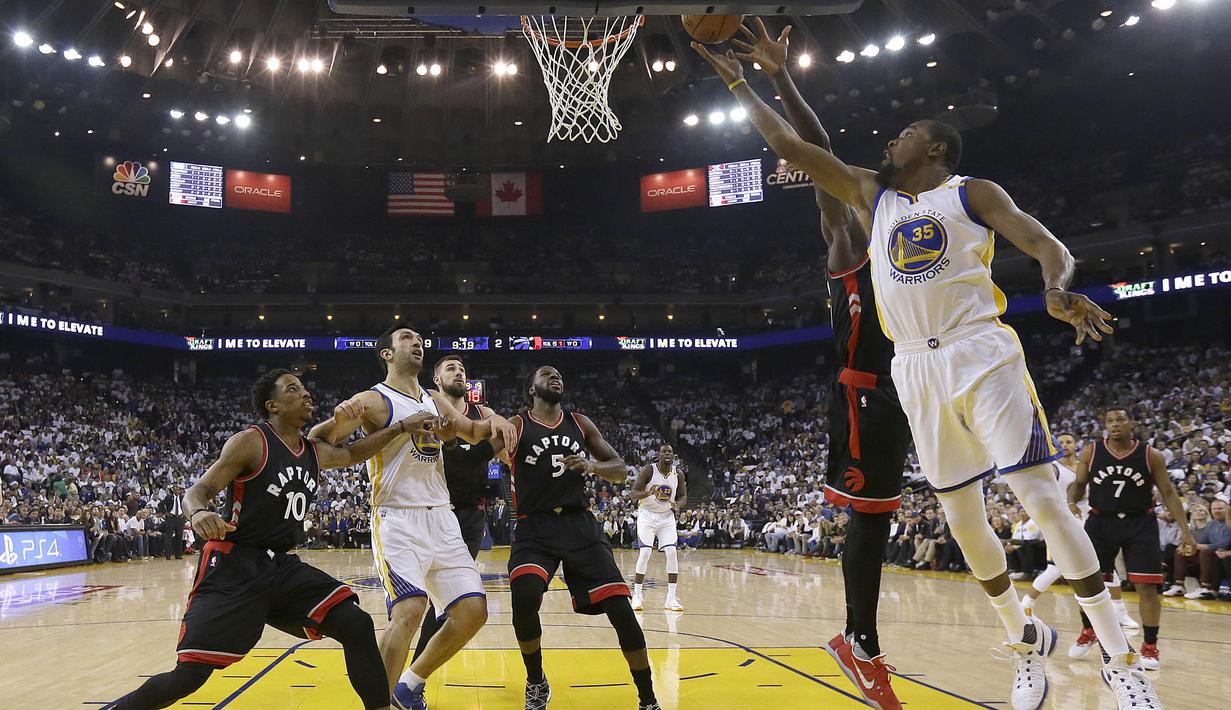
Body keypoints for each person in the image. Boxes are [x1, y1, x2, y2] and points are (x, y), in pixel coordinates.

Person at [692, 25, 1160, 709]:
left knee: (1041, 499)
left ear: (933, 147)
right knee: (964, 521)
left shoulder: (972, 193)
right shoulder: (868, 195)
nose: (890, 142)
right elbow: (794, 147)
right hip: (914, 371)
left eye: (904, 133)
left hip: (979, 350)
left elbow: (1043, 241)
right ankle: (1022, 645)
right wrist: (745, 78)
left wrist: (1057, 288)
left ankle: (1121, 662)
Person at [730, 21, 912, 707]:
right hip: (870, 393)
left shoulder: (919, 236)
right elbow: (816, 150)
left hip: (925, 382)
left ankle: (1036, 617)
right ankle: (857, 640)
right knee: (873, 515)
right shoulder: (848, 247)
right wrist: (774, 76)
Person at [112, 368, 422, 710]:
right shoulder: (251, 441)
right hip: (236, 564)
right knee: (189, 676)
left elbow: (354, 453)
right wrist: (199, 513)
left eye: (304, 388)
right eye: (293, 389)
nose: (305, 394)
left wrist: (401, 427)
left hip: (282, 567)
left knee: (356, 623)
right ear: (272, 405)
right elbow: (198, 490)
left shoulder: (313, 451)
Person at [309, 325, 515, 710]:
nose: (416, 342)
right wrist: (361, 426)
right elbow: (320, 442)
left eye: (419, 339)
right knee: (409, 609)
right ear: (386, 353)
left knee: (473, 611)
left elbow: (471, 432)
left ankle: (408, 684)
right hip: (397, 516)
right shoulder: (373, 400)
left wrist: (500, 421)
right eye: (406, 338)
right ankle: (379, 705)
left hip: (442, 516)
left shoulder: (434, 398)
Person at [502, 366, 660, 710]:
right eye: (546, 374)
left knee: (620, 606)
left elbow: (619, 469)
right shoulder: (516, 425)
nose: (555, 377)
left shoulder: (580, 422)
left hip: (579, 524)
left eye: (559, 374)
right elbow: (486, 444)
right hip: (535, 526)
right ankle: (536, 680)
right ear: (532, 389)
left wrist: (592, 466)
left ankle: (647, 698)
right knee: (525, 596)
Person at [1070, 407, 1196, 671]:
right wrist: (1070, 501)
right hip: (1101, 521)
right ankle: (1088, 630)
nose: (1114, 424)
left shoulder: (1151, 455)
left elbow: (1168, 493)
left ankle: (1150, 645)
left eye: (1120, 420)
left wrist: (1186, 531)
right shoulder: (1091, 452)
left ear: (1132, 423)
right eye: (1109, 421)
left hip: (1140, 523)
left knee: (1147, 587)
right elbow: (1079, 485)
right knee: (1089, 583)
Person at [410, 355, 506, 665]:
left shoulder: (484, 413)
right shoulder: (427, 408)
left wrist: (502, 423)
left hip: (469, 515)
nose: (459, 372)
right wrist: (483, 449)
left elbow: (504, 440)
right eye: (451, 368)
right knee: (417, 600)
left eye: (462, 368)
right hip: (430, 511)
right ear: (436, 379)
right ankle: (408, 673)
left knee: (448, 599)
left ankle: (414, 675)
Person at [629, 443, 688, 612]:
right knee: (645, 552)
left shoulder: (678, 474)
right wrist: (648, 493)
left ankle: (671, 598)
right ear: (659, 455)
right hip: (647, 515)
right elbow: (634, 494)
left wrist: (679, 504)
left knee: (671, 553)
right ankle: (637, 595)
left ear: (673, 455)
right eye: (664, 451)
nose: (667, 453)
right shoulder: (649, 470)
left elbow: (683, 496)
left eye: (670, 451)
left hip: (667, 516)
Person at [160, 485, 186, 559]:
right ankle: (168, 555)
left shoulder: (182, 498)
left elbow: (187, 506)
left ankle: (178, 555)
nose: (177, 491)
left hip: (180, 519)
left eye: (178, 490)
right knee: (169, 537)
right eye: (176, 490)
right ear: (173, 491)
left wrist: (184, 513)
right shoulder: (168, 497)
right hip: (171, 518)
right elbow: (161, 504)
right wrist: (166, 512)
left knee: (179, 536)